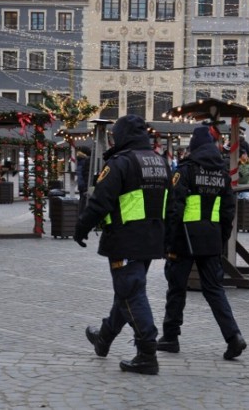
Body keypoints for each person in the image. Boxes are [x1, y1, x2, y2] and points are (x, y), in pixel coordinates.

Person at [74, 114, 172, 375]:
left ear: (122, 135)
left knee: (130, 291)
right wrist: (168, 239)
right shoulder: (161, 162)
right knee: (128, 291)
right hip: (151, 239)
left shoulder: (121, 162)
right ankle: (104, 337)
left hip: (125, 239)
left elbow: (100, 201)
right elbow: (172, 205)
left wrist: (81, 228)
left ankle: (146, 352)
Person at [158, 125, 247, 360]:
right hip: (211, 239)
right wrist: (221, 238)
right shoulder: (222, 174)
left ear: (194, 147)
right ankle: (233, 336)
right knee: (215, 289)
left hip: (184, 238)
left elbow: (174, 208)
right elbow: (229, 211)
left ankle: (170, 336)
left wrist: (168, 241)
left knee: (176, 288)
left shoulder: (185, 171)